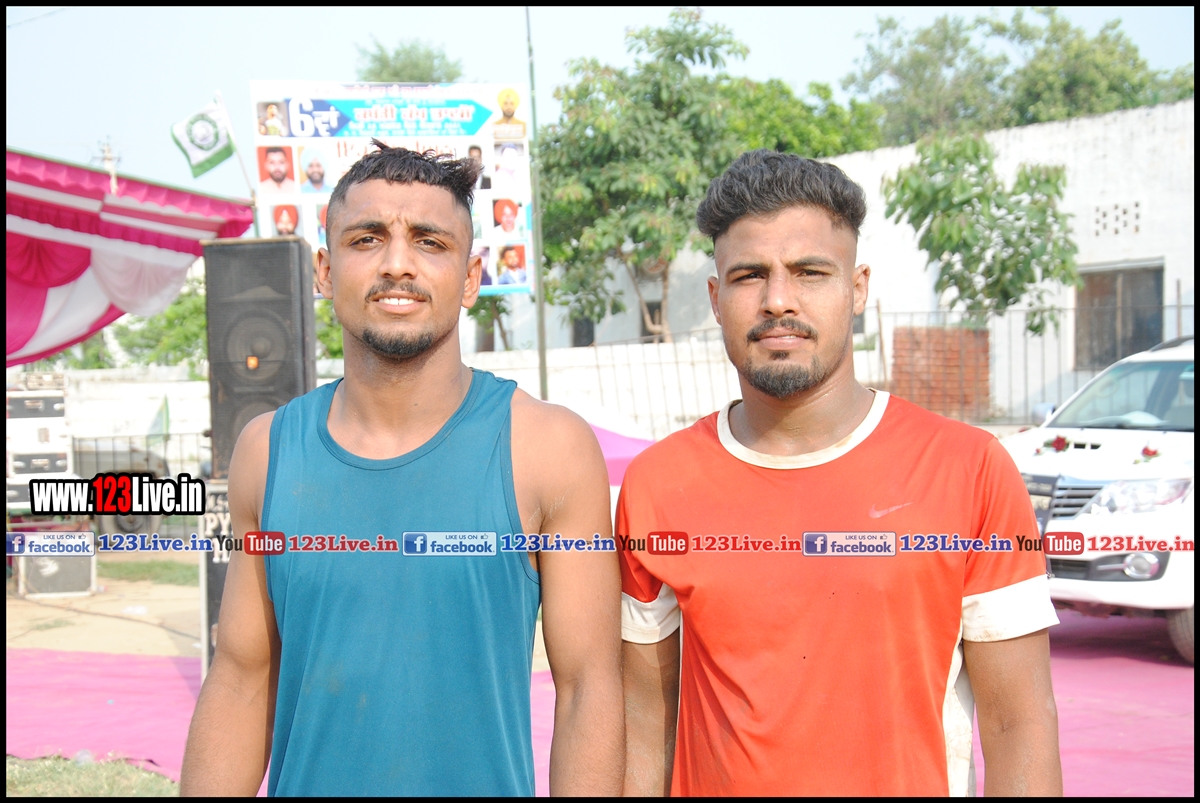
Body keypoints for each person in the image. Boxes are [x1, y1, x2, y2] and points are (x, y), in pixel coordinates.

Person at [181, 141, 622, 796]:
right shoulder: (267, 450)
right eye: (366, 239)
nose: (396, 263)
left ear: (470, 277)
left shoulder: (548, 447)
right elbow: (242, 678)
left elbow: (589, 688)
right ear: (325, 270)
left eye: (428, 241)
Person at [619, 150, 1062, 797]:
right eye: (749, 275)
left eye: (809, 272)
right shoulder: (658, 484)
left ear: (856, 288)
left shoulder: (968, 469)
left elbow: (1017, 723)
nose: (778, 300)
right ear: (715, 298)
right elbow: (643, 725)